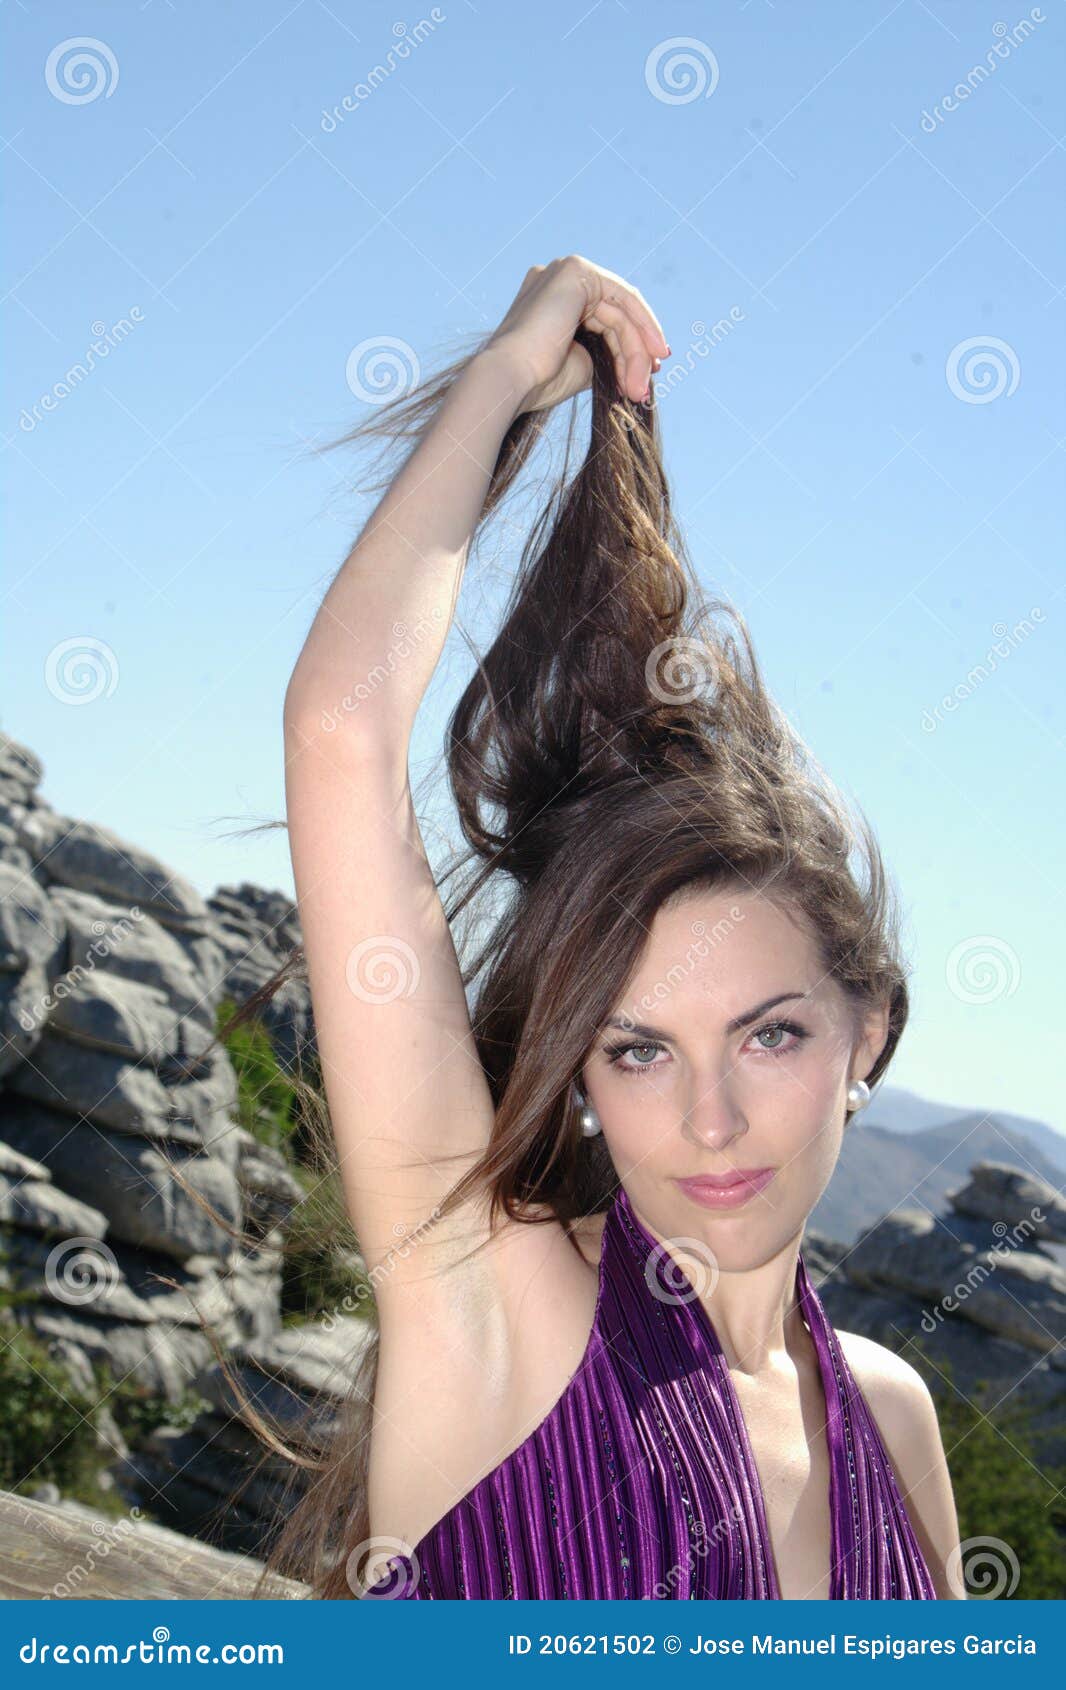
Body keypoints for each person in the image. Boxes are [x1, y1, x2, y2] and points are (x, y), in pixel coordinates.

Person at [272, 255, 964, 1599]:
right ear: (582, 1077)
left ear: (866, 1033)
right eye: (638, 1050)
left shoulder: (893, 1417)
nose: (710, 1120)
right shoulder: (501, 1315)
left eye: (768, 1034)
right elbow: (340, 733)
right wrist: (506, 380)